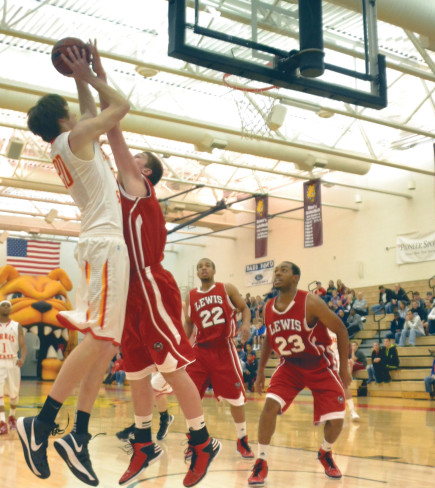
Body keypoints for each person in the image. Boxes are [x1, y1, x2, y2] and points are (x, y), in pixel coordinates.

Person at [92, 47, 221, 487]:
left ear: (146, 171)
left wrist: (98, 76)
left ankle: (203, 441)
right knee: (136, 370)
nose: (132, 159)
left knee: (171, 367)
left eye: (139, 158)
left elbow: (112, 133)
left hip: (149, 282)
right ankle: (144, 442)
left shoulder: (137, 184)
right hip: (126, 287)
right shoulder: (119, 191)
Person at [18, 43, 130, 486]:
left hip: (98, 243)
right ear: (63, 119)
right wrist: (91, 74)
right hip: (103, 244)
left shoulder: (68, 142)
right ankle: (41, 423)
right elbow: (121, 105)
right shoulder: (74, 139)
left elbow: (89, 113)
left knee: (103, 343)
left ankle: (77, 435)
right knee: (101, 339)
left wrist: (84, 76)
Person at [248, 261, 351, 486]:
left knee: (336, 418)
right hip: (290, 365)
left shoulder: (310, 302)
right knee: (269, 407)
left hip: (318, 363)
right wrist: (260, 373)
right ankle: (261, 460)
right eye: (275, 271)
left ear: (295, 277)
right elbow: (267, 341)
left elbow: (341, 329)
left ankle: (325, 452)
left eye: (283, 270)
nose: (277, 274)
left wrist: (344, 368)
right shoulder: (268, 307)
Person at [185, 258, 254, 460]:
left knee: (236, 399)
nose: (203, 268)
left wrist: (246, 324)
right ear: (197, 273)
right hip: (200, 352)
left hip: (224, 348)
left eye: (207, 265)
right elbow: (188, 323)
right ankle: (195, 442)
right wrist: (183, 346)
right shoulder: (191, 296)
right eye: (199, 266)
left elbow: (245, 308)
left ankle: (242, 440)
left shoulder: (226, 288)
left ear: (214, 270)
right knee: (190, 398)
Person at [115, 373, 175, 442]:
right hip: (157, 365)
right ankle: (165, 419)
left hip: (170, 365)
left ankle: (136, 427)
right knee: (159, 394)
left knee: (150, 392)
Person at [0, 300, 27, 435]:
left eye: (7, 306)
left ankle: (12, 416)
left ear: (10, 309)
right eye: (3, 305)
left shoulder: (17, 326)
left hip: (12, 361)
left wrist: (22, 358)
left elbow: (23, 345)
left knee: (14, 393)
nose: (5, 307)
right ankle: (2, 422)